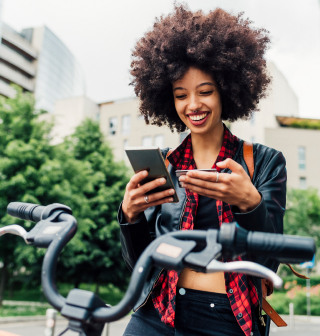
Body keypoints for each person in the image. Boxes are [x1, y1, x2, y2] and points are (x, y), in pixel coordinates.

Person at [118, 4, 286, 336]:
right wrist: (130, 215)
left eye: (205, 91)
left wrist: (250, 204)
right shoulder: (165, 163)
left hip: (225, 318)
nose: (193, 105)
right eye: (181, 95)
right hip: (156, 313)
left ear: (227, 89)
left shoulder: (265, 161)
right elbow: (140, 263)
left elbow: (268, 263)